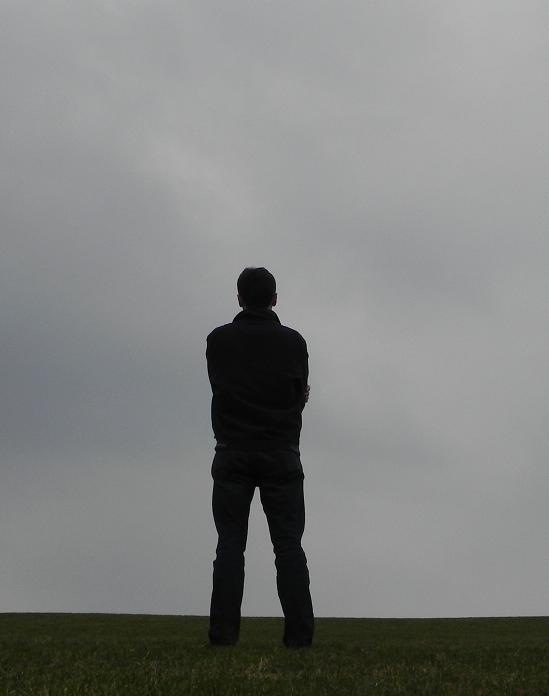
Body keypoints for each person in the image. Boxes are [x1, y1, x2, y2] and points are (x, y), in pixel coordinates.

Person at [206, 266, 314, 648]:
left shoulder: (218, 340)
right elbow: (299, 395)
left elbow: (219, 385)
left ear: (239, 298)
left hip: (233, 452)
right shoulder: (294, 342)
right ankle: (299, 636)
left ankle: (223, 634)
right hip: (281, 452)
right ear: (274, 300)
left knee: (230, 545)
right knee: (288, 547)